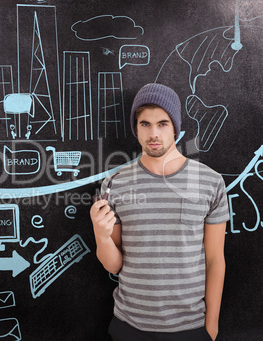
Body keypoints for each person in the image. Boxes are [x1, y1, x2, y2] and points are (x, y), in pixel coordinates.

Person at [90, 83, 229, 341]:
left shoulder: (211, 182)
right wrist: (101, 235)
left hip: (191, 327)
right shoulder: (115, 184)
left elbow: (214, 260)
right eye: (145, 124)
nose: (154, 133)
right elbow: (114, 264)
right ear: (136, 128)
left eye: (162, 123)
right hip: (129, 326)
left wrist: (211, 327)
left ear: (175, 126)